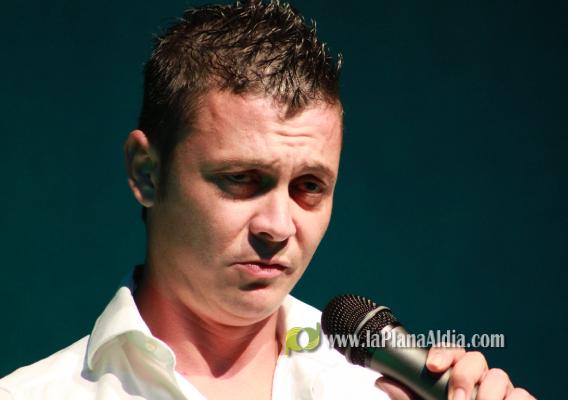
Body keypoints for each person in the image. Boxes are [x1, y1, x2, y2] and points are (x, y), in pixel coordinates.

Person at [0, 1, 534, 399]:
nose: (278, 226)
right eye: (242, 179)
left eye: (309, 187)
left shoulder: (377, 392)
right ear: (146, 173)